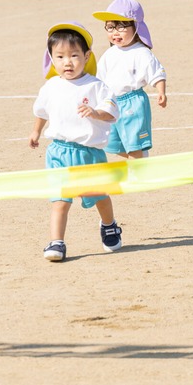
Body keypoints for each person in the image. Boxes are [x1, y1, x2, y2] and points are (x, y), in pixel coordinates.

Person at [29, 21, 123, 262]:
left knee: (99, 195)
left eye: (73, 55)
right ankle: (57, 242)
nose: (67, 62)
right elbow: (42, 111)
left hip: (89, 153)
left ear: (87, 55)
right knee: (60, 200)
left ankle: (109, 225)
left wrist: (95, 113)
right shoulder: (51, 86)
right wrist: (36, 132)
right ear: (51, 58)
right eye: (59, 56)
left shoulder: (96, 86)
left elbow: (111, 112)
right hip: (59, 152)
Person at [93, 0, 167, 159]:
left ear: (136, 27)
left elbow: (157, 73)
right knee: (111, 144)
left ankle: (139, 169)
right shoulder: (109, 54)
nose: (115, 32)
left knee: (134, 145)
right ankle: (142, 161)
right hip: (112, 103)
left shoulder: (142, 53)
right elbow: (100, 79)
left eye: (121, 26)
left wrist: (161, 91)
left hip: (133, 103)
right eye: (110, 27)